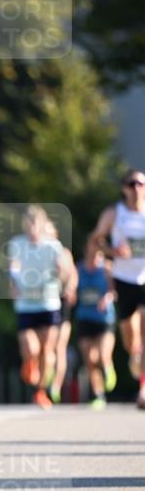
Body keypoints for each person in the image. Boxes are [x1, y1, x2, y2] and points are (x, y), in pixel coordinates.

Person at [90, 170, 145, 410]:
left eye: (141, 183)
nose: (136, 188)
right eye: (131, 184)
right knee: (131, 341)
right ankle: (136, 360)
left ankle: (143, 390)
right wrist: (113, 251)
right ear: (124, 188)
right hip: (124, 280)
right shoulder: (114, 214)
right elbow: (95, 240)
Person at [8, 206, 66, 409]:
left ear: (42, 225)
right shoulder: (17, 244)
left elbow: (63, 270)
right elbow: (13, 268)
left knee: (46, 350)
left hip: (48, 303)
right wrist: (14, 284)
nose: (32, 227)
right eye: (29, 223)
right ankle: (29, 364)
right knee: (31, 348)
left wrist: (61, 272)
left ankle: (40, 390)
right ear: (25, 225)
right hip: (26, 304)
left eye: (36, 223)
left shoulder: (53, 246)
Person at [74, 241, 117, 409]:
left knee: (102, 354)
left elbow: (114, 291)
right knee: (90, 360)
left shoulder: (107, 268)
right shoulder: (79, 268)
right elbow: (71, 284)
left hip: (104, 319)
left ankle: (108, 368)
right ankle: (98, 394)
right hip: (85, 318)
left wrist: (107, 299)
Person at [46, 220, 78, 403]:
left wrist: (70, 288)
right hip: (43, 303)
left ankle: (55, 386)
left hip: (61, 302)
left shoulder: (63, 252)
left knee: (59, 346)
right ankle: (45, 379)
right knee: (47, 346)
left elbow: (73, 275)